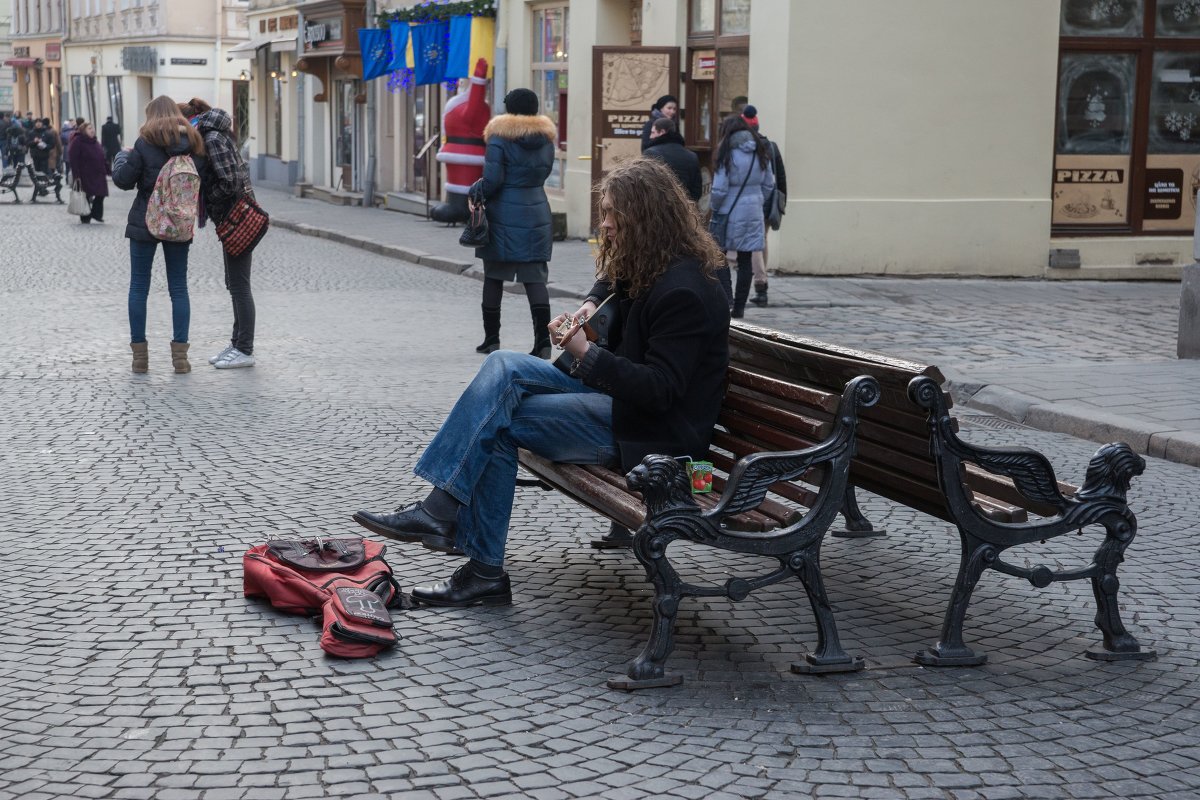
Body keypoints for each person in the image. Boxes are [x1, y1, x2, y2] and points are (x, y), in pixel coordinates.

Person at [352, 157, 731, 607]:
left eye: (613, 216)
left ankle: (472, 557)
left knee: (498, 425)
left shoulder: (685, 288)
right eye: (605, 212)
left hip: (653, 436)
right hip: (619, 405)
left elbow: (661, 390)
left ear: (646, 219)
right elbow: (613, 278)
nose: (605, 225)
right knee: (503, 366)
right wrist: (589, 306)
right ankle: (443, 518)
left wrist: (585, 354)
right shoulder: (655, 258)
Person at [112, 96, 207, 375]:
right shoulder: (194, 143)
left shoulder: (145, 142)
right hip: (179, 223)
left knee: (139, 287)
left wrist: (122, 157)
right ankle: (181, 359)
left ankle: (139, 359)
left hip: (146, 220)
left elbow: (124, 180)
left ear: (151, 115)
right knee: (179, 288)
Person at [468, 88, 557, 359]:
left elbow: (493, 180)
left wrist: (477, 190)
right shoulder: (546, 139)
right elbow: (545, 172)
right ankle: (543, 342)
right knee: (535, 278)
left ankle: (491, 340)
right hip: (537, 211)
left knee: (494, 276)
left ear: (508, 109)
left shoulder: (499, 138)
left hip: (504, 214)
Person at [180, 97, 259, 370]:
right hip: (231, 216)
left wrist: (211, 199)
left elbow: (230, 180)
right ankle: (237, 344)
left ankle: (245, 348)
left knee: (239, 285)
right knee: (233, 283)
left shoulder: (211, 138)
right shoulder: (213, 134)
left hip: (236, 216)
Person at [709, 114, 774, 318]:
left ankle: (726, 298)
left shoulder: (726, 152)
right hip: (753, 210)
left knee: (719, 255)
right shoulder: (760, 150)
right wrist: (756, 201)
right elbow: (769, 184)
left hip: (728, 211)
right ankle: (739, 308)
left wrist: (715, 207)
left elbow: (719, 189)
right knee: (746, 260)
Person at [740, 105, 788, 307]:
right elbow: (782, 177)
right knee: (762, 241)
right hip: (768, 202)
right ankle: (762, 278)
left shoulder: (744, 148)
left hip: (754, 202)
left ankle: (761, 284)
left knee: (755, 244)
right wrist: (782, 200)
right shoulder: (772, 146)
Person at [643, 117, 701, 203]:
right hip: (684, 209)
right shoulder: (692, 156)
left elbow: (645, 187)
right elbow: (697, 190)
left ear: (662, 132)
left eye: (653, 132)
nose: (650, 136)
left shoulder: (650, 153)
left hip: (658, 208)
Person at [66, 122, 109, 224]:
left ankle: (96, 214)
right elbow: (73, 158)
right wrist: (76, 175)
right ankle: (85, 215)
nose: (92, 130)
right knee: (85, 195)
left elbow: (102, 157)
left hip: (98, 173)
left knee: (101, 194)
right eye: (89, 128)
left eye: (93, 128)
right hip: (85, 174)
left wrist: (107, 169)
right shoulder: (78, 141)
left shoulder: (95, 141)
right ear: (83, 130)